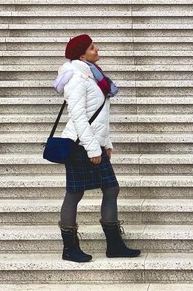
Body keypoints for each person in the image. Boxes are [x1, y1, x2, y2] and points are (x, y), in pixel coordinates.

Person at [52, 34, 141, 262]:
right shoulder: (76, 78)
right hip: (80, 145)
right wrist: (93, 149)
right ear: (82, 54)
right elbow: (79, 117)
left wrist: (106, 143)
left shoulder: (92, 76)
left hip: (93, 143)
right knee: (74, 193)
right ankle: (70, 248)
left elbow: (100, 116)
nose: (96, 49)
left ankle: (114, 245)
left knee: (110, 189)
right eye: (92, 47)